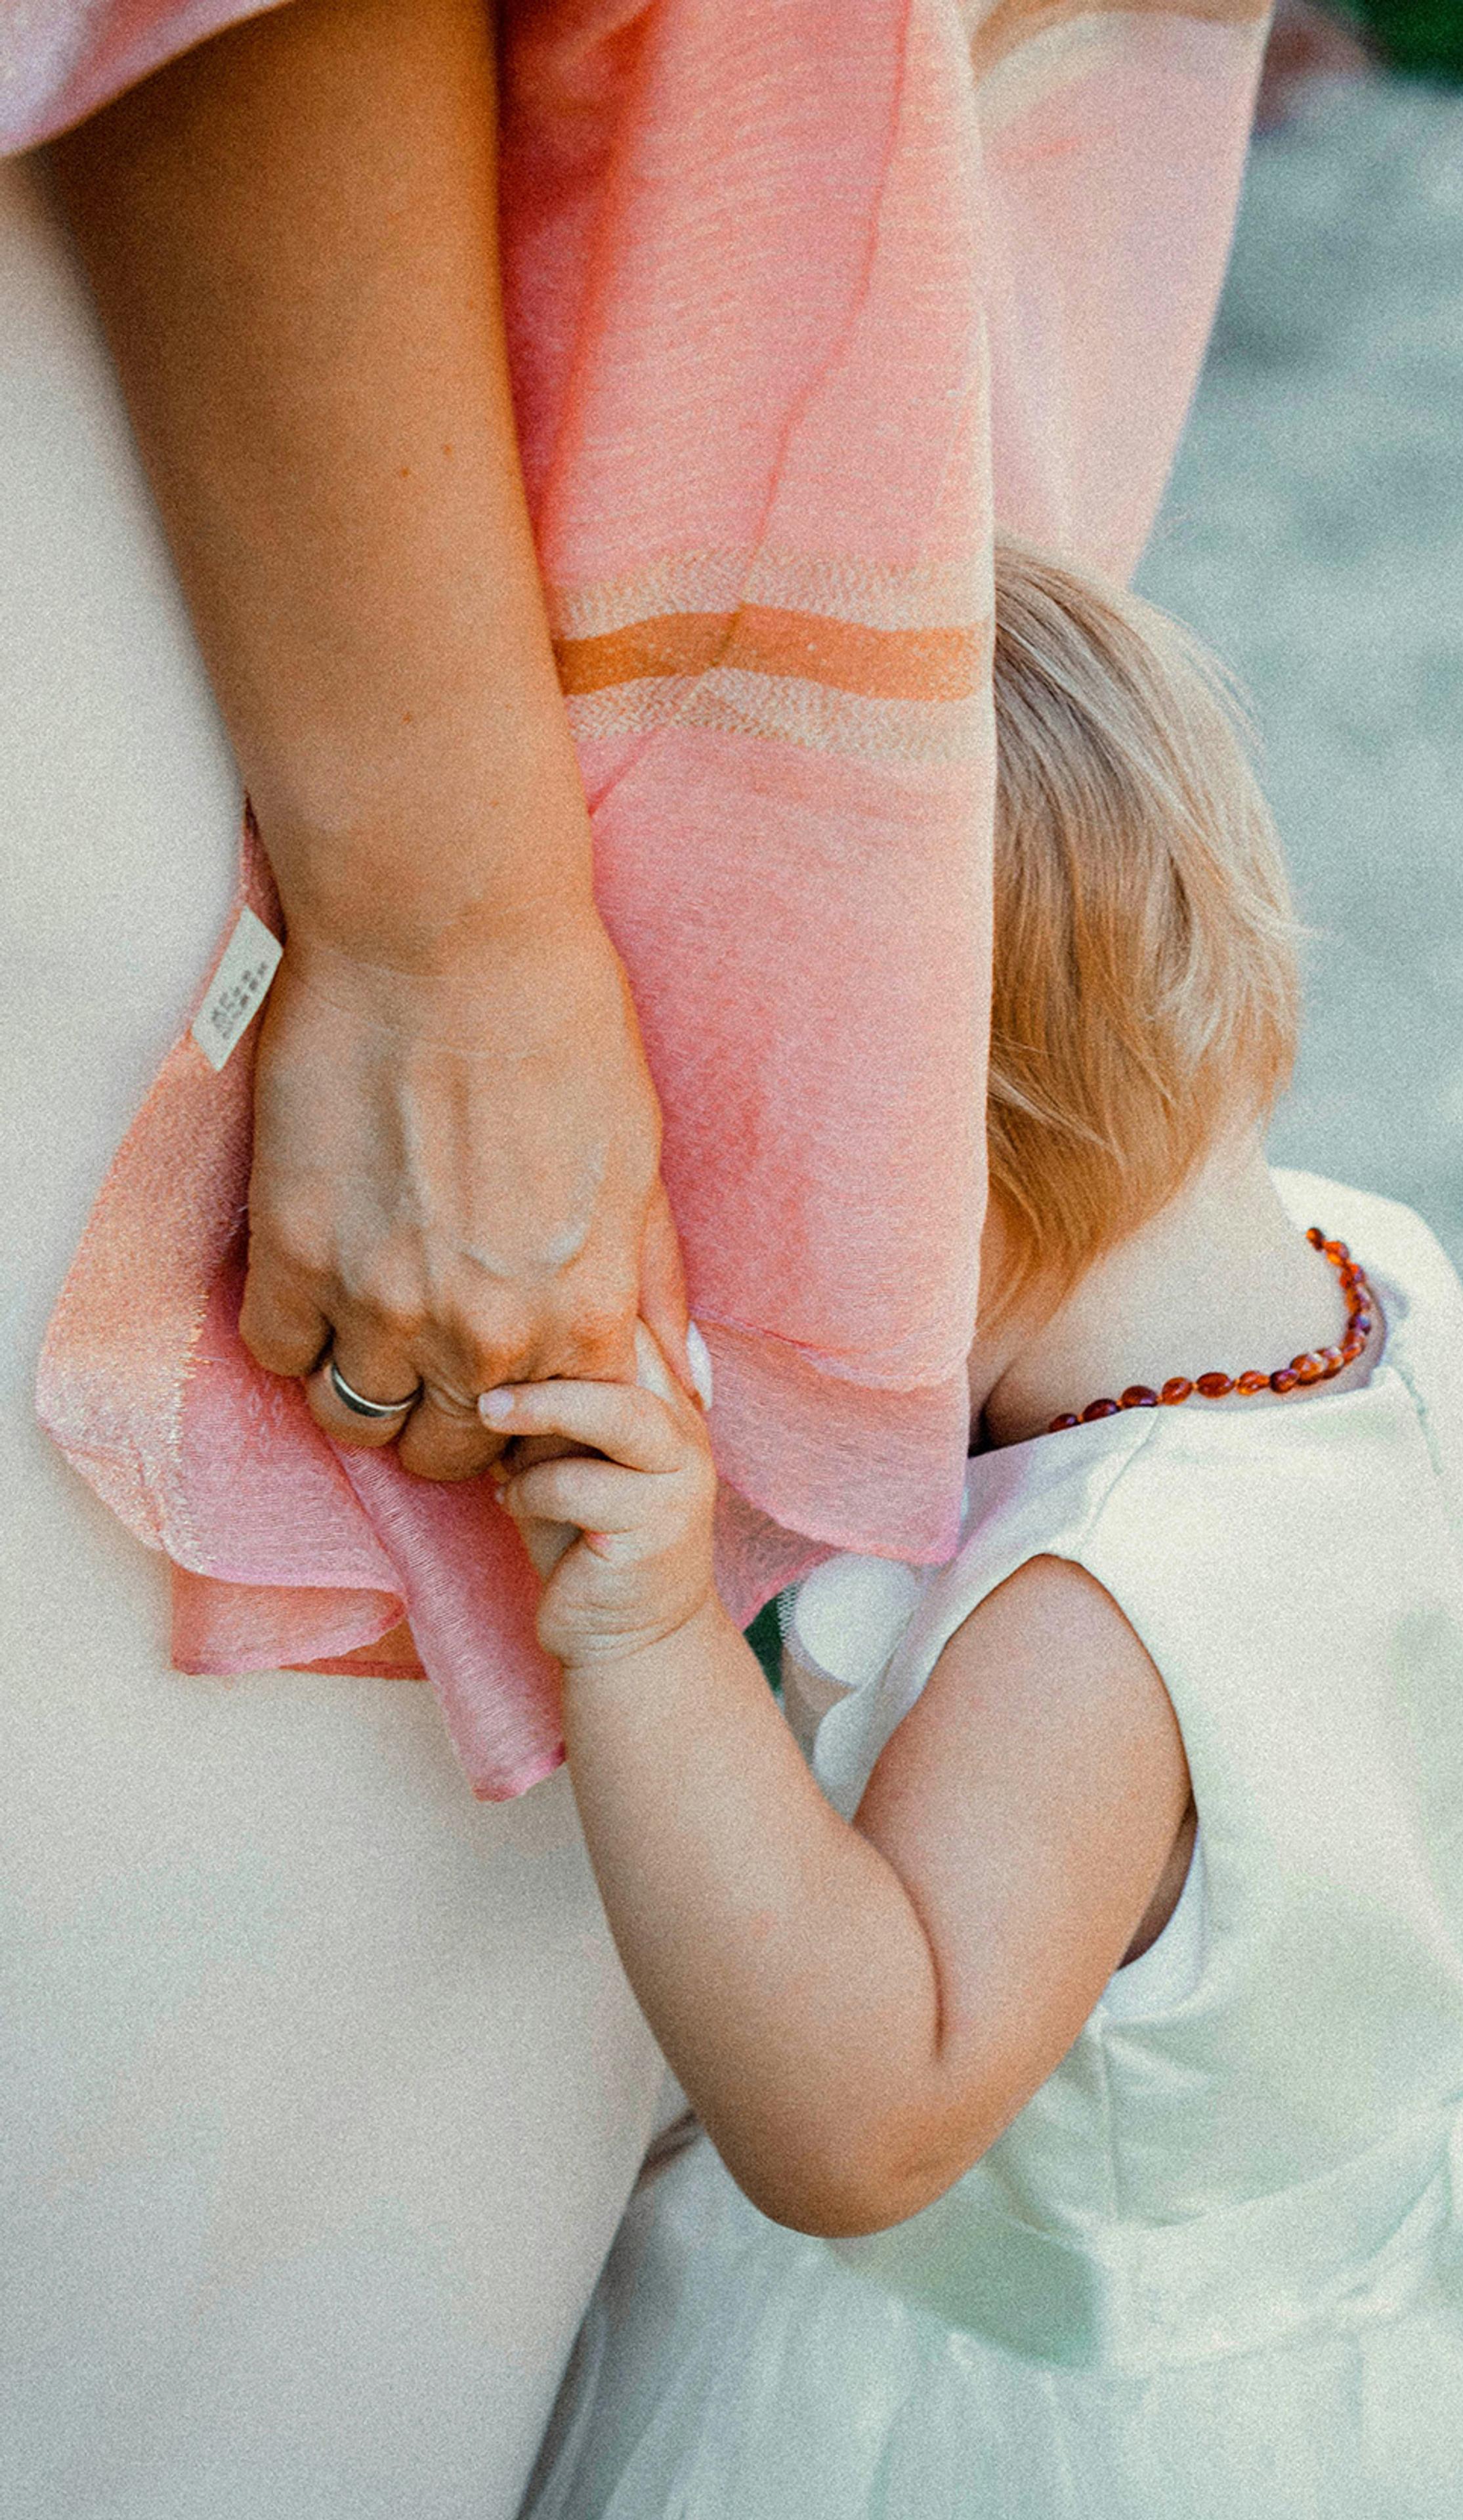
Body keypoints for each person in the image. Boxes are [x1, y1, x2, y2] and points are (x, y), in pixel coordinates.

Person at [1, 0, 1262, 2506]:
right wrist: (447, 924)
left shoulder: (1193, 1498)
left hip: (764, 448)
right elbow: (864, 2100)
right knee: (204, 2235)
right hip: (321, 537)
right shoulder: (1295, 1389)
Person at [496, 541, 1463, 2519]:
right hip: (1394, 2309)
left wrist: (639, 1640)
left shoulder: (1088, 1626)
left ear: (892, 1174)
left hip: (1078, 2409)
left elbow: (855, 2126)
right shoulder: (1371, 1276)